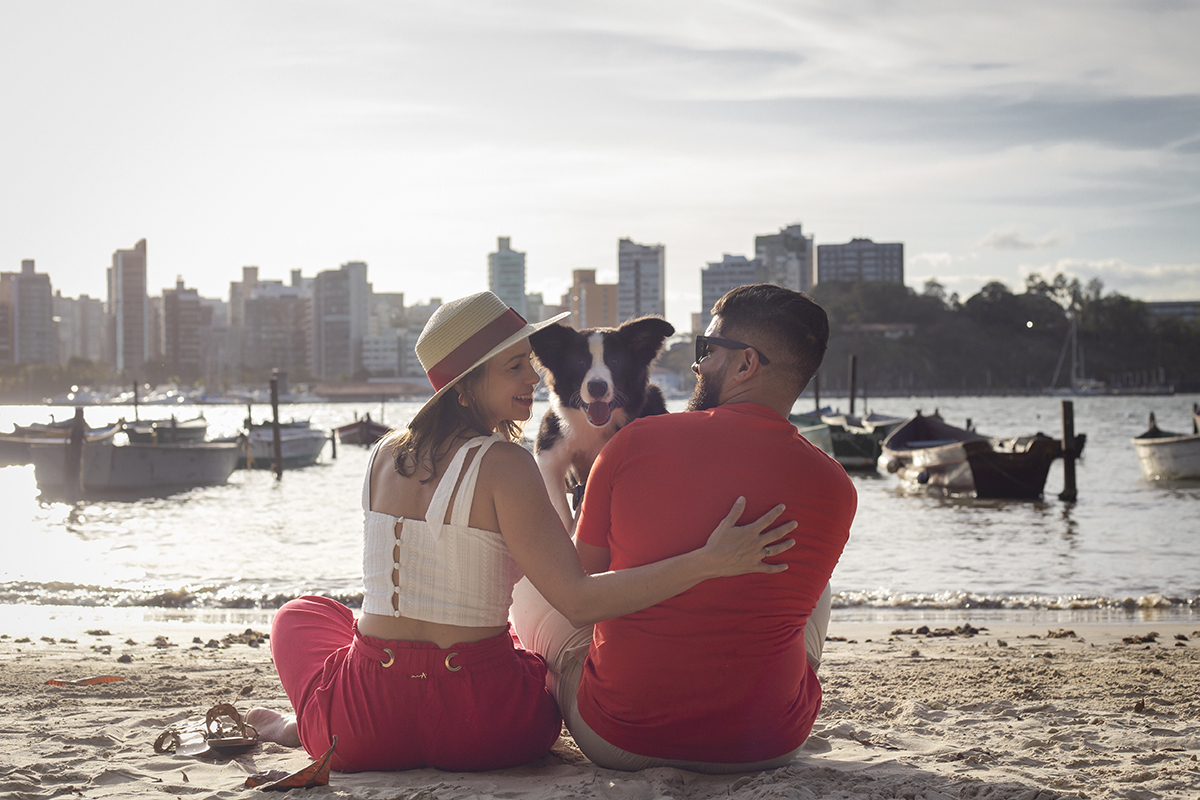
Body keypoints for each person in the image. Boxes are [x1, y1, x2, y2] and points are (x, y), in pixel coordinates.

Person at [247, 291, 799, 772]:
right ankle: (309, 724)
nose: (534, 377)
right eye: (514, 367)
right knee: (530, 651)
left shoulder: (381, 454)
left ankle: (302, 727)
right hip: (484, 728)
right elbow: (579, 601)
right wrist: (708, 560)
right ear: (464, 387)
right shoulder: (506, 463)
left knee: (301, 615)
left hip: (362, 728)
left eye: (529, 363)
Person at [510, 283, 856, 773]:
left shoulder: (633, 445)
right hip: (769, 743)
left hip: (618, 735)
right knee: (815, 592)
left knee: (533, 586)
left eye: (707, 350)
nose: (697, 365)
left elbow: (579, 593)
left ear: (746, 363)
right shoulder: (837, 485)